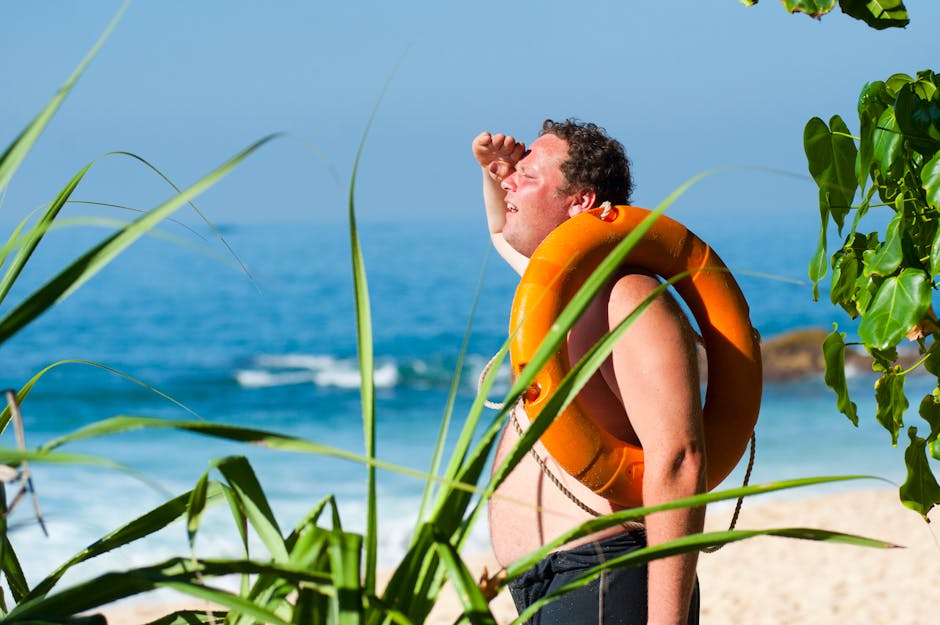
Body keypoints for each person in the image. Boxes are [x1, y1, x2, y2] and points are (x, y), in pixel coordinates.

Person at [473, 119, 704, 625]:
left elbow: (680, 460)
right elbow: (499, 231)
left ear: (580, 202)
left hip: (606, 570)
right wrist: (494, 171)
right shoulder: (556, 291)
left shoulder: (627, 298)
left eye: (527, 175)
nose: (510, 181)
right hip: (545, 584)